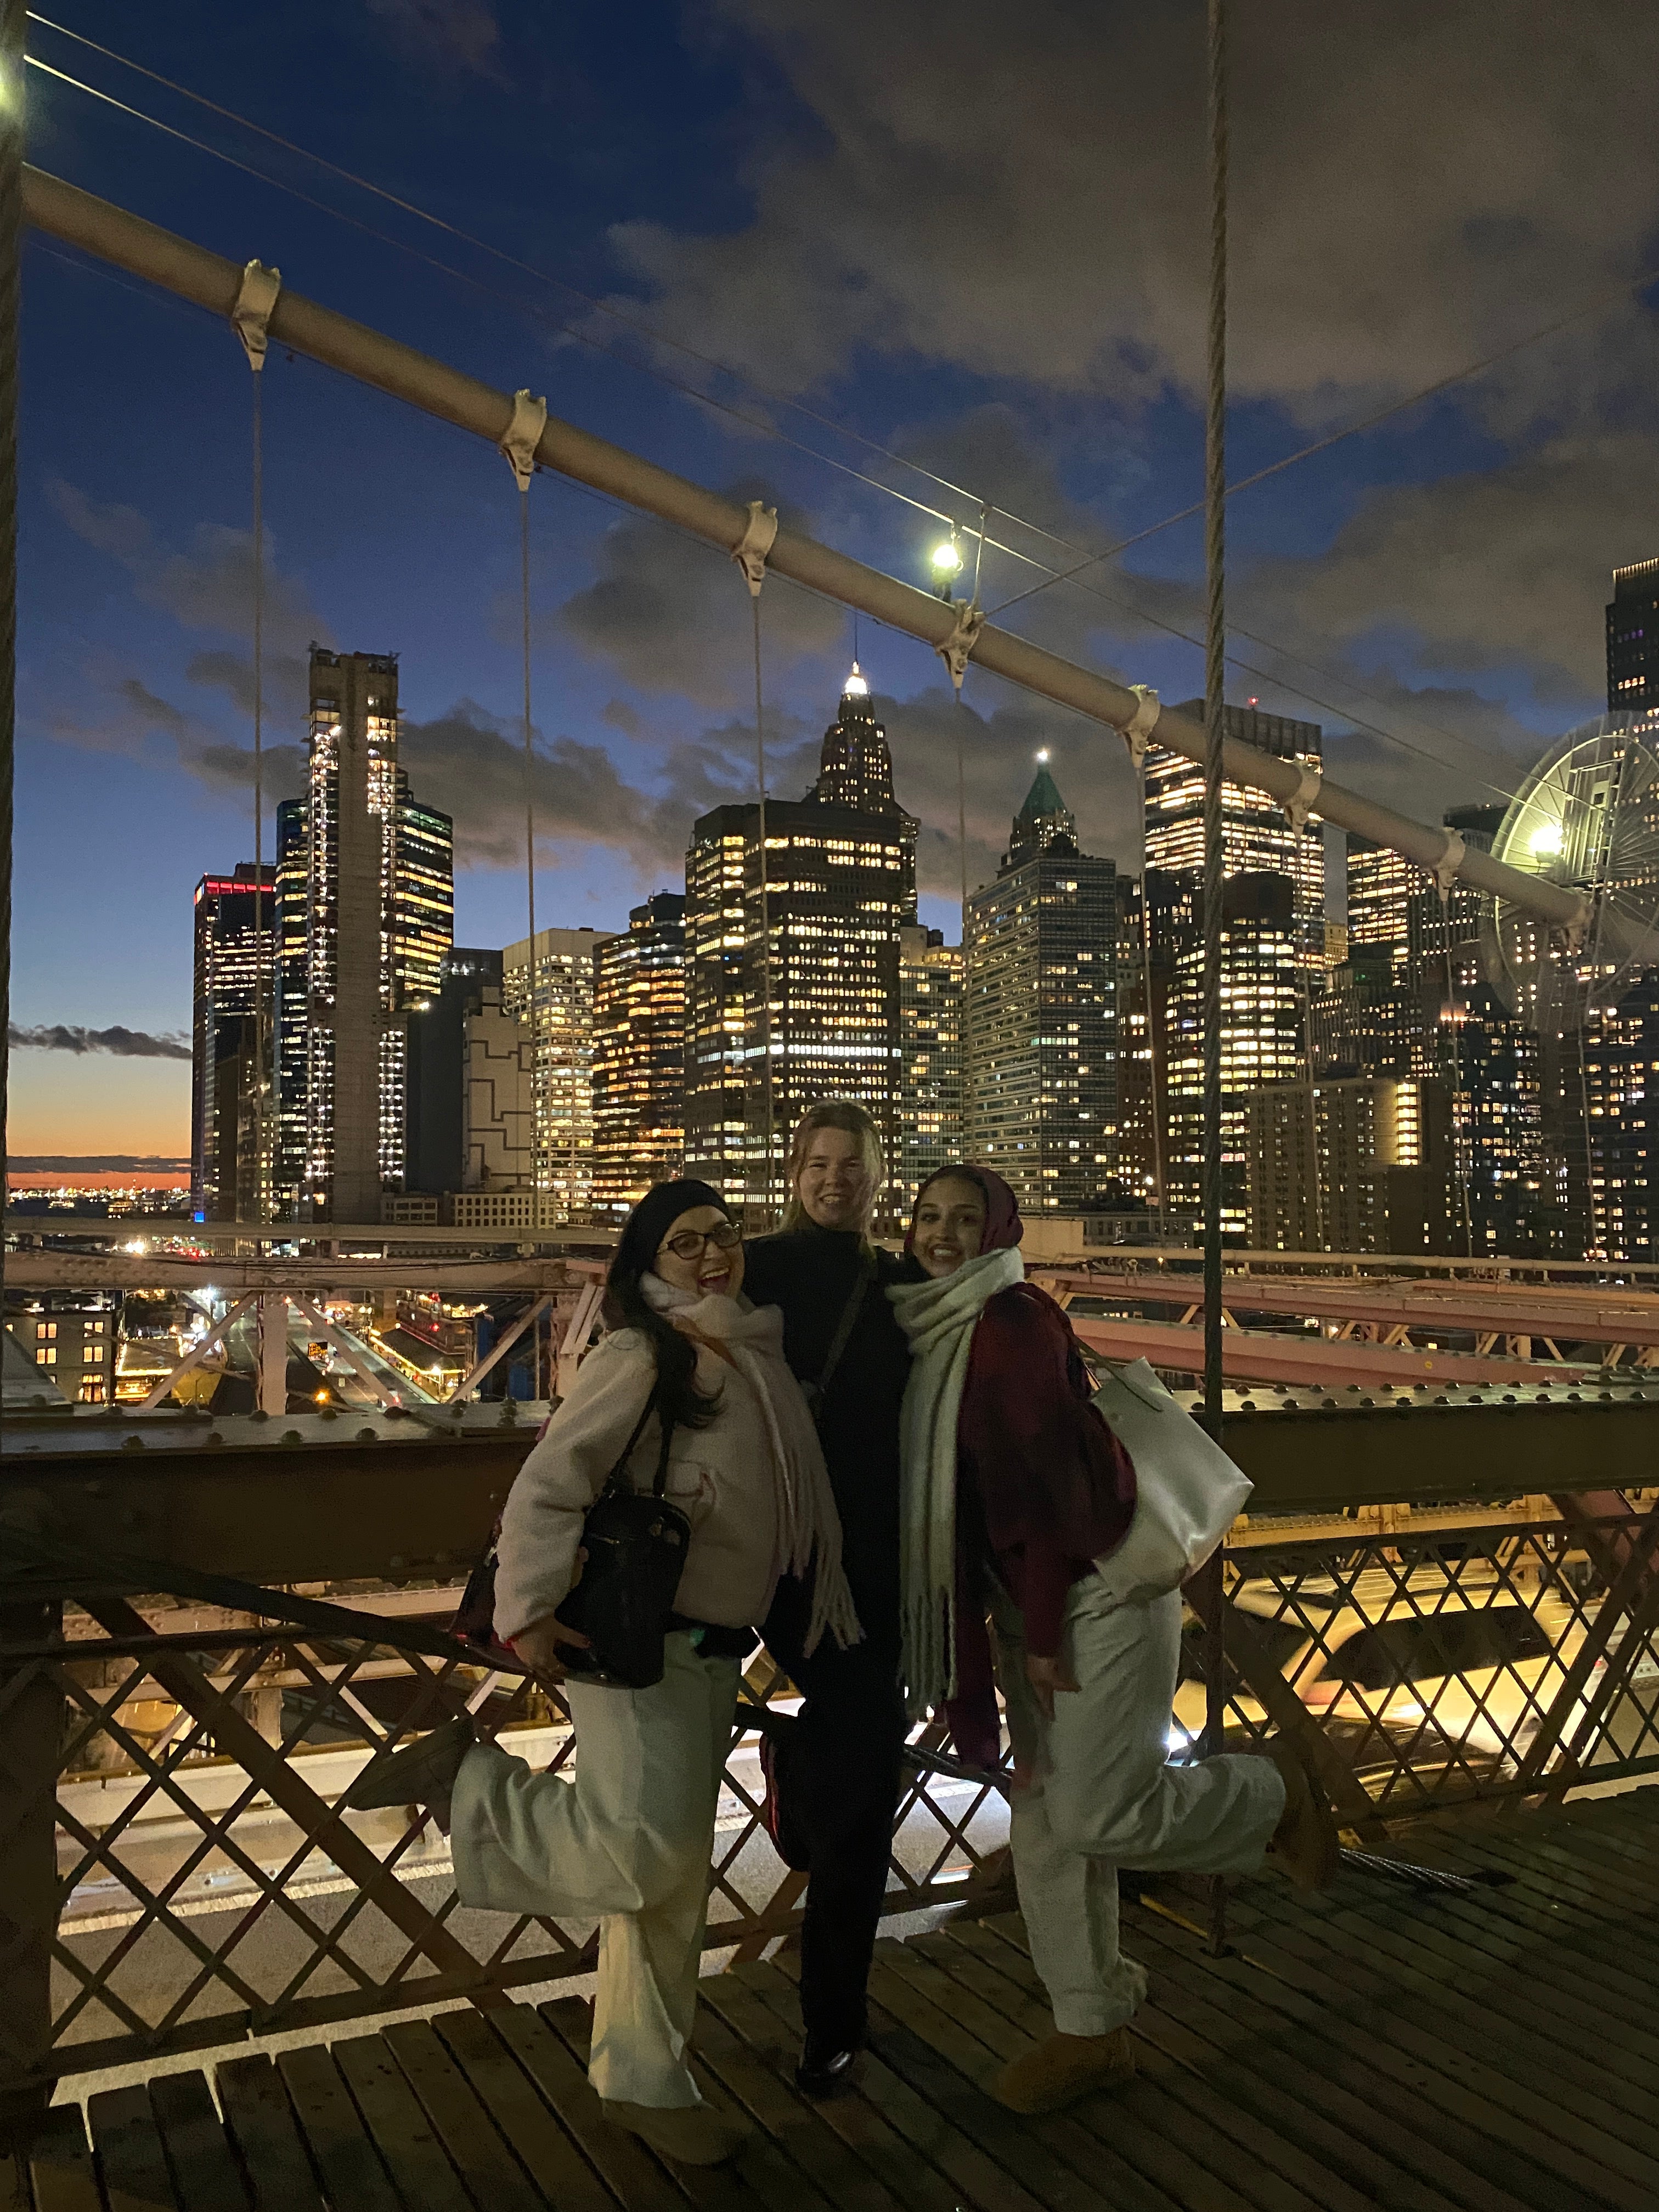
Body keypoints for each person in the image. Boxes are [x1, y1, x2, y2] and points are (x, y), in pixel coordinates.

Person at [347, 1179, 858, 2168]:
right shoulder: (644, 1353)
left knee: (668, 1891)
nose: (712, 1256)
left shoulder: (752, 1354)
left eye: (724, 1236)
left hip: (711, 1648)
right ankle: (466, 1781)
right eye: (684, 1244)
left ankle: (646, 2080)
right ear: (644, 1267)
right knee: (644, 1857)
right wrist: (528, 1610)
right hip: (634, 1642)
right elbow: (553, 1480)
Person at [888, 1163, 1339, 2118]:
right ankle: (1089, 2030)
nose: (942, 1234)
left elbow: (1053, 1494)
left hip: (1090, 1594)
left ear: (999, 1232)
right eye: (928, 1216)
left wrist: (1043, 1631)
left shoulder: (1010, 1325)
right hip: (1026, 1604)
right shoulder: (932, 1328)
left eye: (966, 1220)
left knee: (1093, 1816)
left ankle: (1272, 1793)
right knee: (1050, 1828)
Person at [741, 1100, 913, 2096]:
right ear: (795, 1172)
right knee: (861, 1783)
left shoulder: (897, 1286)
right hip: (776, 1557)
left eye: (853, 1164)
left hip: (879, 1572)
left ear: (877, 1177)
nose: (835, 1178)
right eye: (818, 1162)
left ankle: (832, 2019)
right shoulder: (755, 1268)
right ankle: (829, 2022)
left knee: (866, 1791)